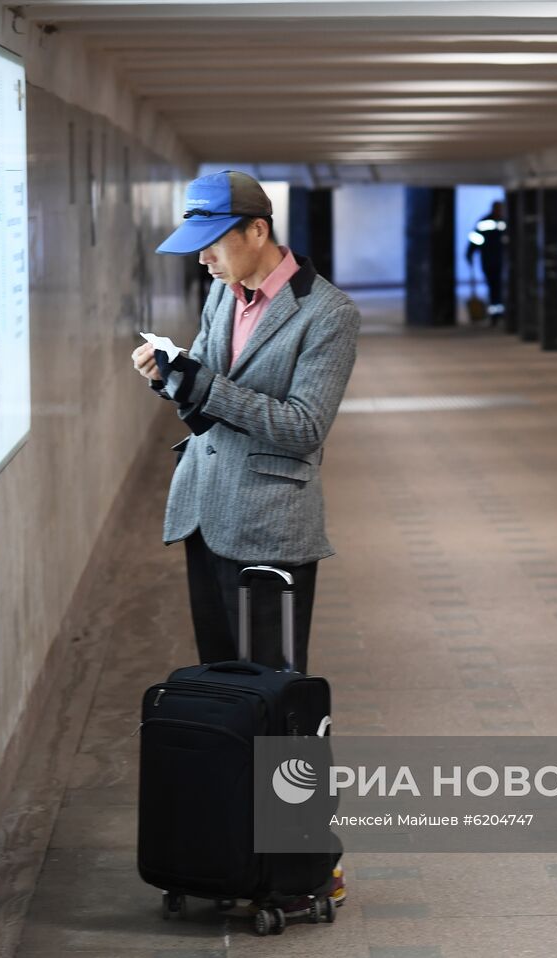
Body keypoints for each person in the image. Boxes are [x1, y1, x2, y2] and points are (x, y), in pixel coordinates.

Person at [131, 170, 359, 906]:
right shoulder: (220, 294)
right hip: (204, 510)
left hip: (272, 527)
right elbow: (208, 413)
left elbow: (302, 428)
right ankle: (234, 853)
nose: (202, 260)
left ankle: (301, 867)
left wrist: (205, 386)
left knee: (279, 700)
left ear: (256, 231)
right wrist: (173, 381)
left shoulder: (327, 314)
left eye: (211, 245)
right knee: (227, 696)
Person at [464, 200, 507, 325]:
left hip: (498, 260)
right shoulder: (486, 223)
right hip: (490, 260)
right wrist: (469, 254)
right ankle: (495, 315)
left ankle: (499, 313)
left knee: (498, 287)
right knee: (494, 286)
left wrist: (470, 253)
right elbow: (475, 240)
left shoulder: (503, 222)